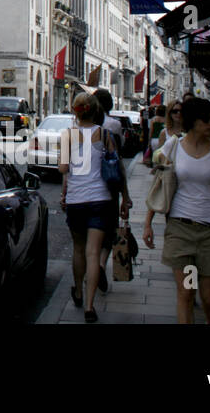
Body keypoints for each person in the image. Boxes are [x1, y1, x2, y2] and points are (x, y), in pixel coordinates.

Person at [143, 96, 210, 324]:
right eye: (206, 119)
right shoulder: (174, 145)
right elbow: (160, 184)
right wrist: (148, 223)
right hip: (181, 231)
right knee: (187, 293)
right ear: (193, 122)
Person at [59, 91, 128, 322]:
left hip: (76, 201)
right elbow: (117, 167)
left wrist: (64, 192)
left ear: (75, 111)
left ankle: (78, 290)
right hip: (99, 199)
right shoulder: (103, 134)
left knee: (79, 249)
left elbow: (63, 169)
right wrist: (125, 197)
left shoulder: (68, 135)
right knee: (93, 253)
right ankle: (89, 306)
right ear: (94, 110)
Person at [95, 88, 125, 292]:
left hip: (87, 185)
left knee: (91, 231)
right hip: (110, 183)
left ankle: (90, 268)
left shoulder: (79, 125)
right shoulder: (114, 125)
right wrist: (127, 194)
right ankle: (101, 265)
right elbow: (118, 159)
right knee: (109, 227)